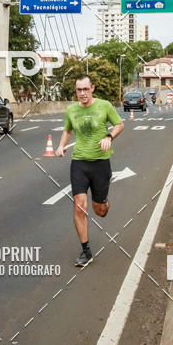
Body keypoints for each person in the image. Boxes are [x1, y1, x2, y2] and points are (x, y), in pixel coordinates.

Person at [55, 74, 124, 267]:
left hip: (100, 163)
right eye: (79, 90)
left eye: (86, 89)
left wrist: (109, 137)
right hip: (79, 163)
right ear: (75, 91)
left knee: (99, 210)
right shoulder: (71, 110)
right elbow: (67, 130)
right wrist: (61, 146)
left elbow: (119, 124)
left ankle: (104, 203)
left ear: (92, 88)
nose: (82, 93)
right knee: (79, 205)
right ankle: (86, 251)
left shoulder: (104, 106)